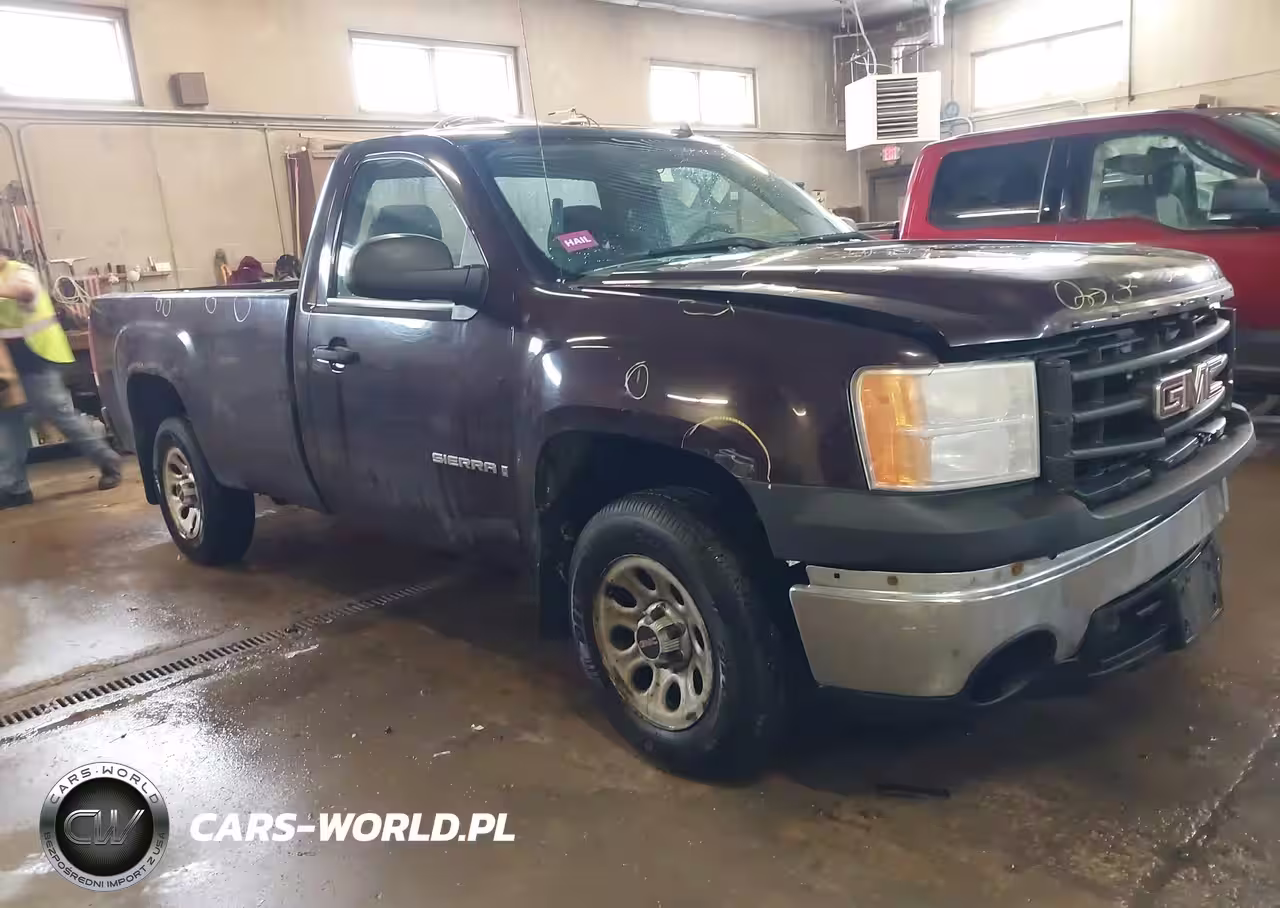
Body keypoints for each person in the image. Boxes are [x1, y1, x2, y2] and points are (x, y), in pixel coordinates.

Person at [0, 249, 121, 510]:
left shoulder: (20, 271)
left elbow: (26, 292)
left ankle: (108, 460)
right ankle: (14, 488)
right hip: (11, 363)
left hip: (40, 355)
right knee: (8, 423)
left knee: (58, 414)